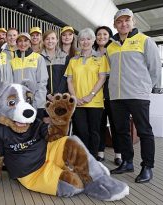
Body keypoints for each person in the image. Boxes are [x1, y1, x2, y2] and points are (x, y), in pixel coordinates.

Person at [107, 8, 161, 183]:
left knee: (144, 131)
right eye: (119, 21)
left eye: (126, 20)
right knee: (121, 131)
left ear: (133, 22)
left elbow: (155, 69)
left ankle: (147, 166)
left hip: (138, 94)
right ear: (115, 25)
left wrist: (145, 89)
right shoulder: (111, 46)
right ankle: (127, 161)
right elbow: (110, 70)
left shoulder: (145, 41)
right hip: (117, 96)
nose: (123, 24)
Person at [65, 28, 109, 158]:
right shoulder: (74, 60)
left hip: (94, 102)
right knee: (81, 132)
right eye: (82, 39)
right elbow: (69, 80)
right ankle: (82, 159)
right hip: (78, 102)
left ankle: (93, 160)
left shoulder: (101, 58)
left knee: (94, 132)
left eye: (88, 39)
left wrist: (90, 95)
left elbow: (102, 78)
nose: (85, 42)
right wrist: (74, 97)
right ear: (79, 41)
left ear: (93, 40)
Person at [93, 26, 122, 165]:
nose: (101, 37)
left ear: (109, 36)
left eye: (105, 34)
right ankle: (100, 152)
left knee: (116, 125)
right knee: (100, 125)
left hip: (113, 94)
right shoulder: (92, 53)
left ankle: (118, 154)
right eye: (99, 34)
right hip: (96, 94)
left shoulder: (114, 51)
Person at [11, 32, 48, 120]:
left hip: (35, 102)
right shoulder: (12, 61)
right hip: (19, 103)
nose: (23, 44)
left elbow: (42, 82)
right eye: (20, 41)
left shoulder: (38, 58)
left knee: (35, 130)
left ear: (30, 42)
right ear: (17, 43)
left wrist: (38, 103)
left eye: (25, 41)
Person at [40, 30, 69, 101]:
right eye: (47, 39)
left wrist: (58, 94)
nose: (50, 41)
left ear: (57, 40)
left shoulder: (65, 56)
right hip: (44, 97)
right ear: (43, 41)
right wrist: (48, 94)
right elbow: (38, 79)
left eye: (53, 38)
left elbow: (66, 77)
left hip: (62, 97)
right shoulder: (38, 58)